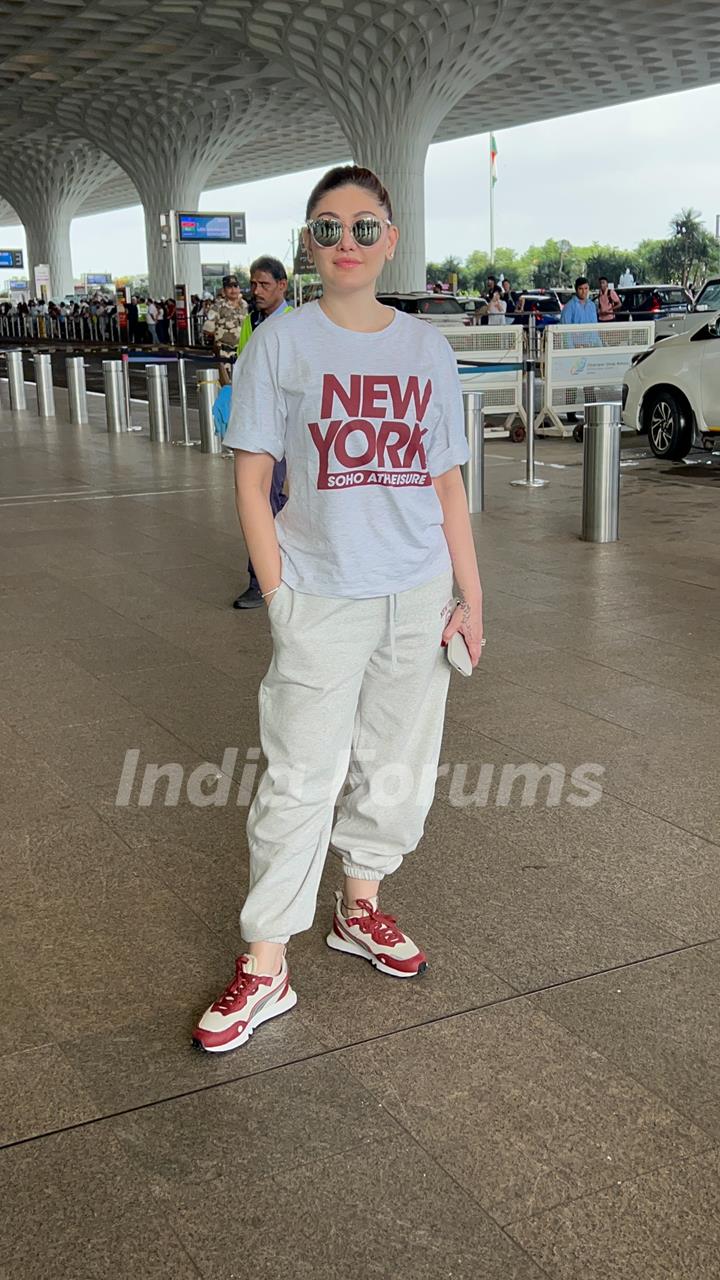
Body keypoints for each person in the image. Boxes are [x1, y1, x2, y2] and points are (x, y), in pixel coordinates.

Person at [193, 164, 484, 1054]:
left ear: (391, 238)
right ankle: (267, 960)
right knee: (298, 778)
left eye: (364, 227)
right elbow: (251, 480)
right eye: (328, 228)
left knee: (398, 763)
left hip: (417, 589)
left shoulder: (426, 349)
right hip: (320, 591)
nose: (347, 243)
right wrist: (279, 591)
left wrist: (471, 593)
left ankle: (362, 906)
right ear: (308, 244)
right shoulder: (280, 341)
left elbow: (446, 481)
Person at [232, 256, 293, 610]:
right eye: (253, 284)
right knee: (268, 499)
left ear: (282, 285)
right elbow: (243, 366)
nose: (256, 291)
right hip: (254, 425)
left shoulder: (291, 324)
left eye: (264, 285)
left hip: (281, 429)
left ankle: (262, 581)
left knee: (264, 498)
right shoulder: (252, 321)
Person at [202, 273, 248, 371]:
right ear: (224, 290)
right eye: (229, 287)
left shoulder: (244, 305)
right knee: (228, 385)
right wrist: (222, 337)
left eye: (235, 286)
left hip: (243, 354)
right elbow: (207, 329)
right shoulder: (218, 307)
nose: (233, 290)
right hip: (225, 354)